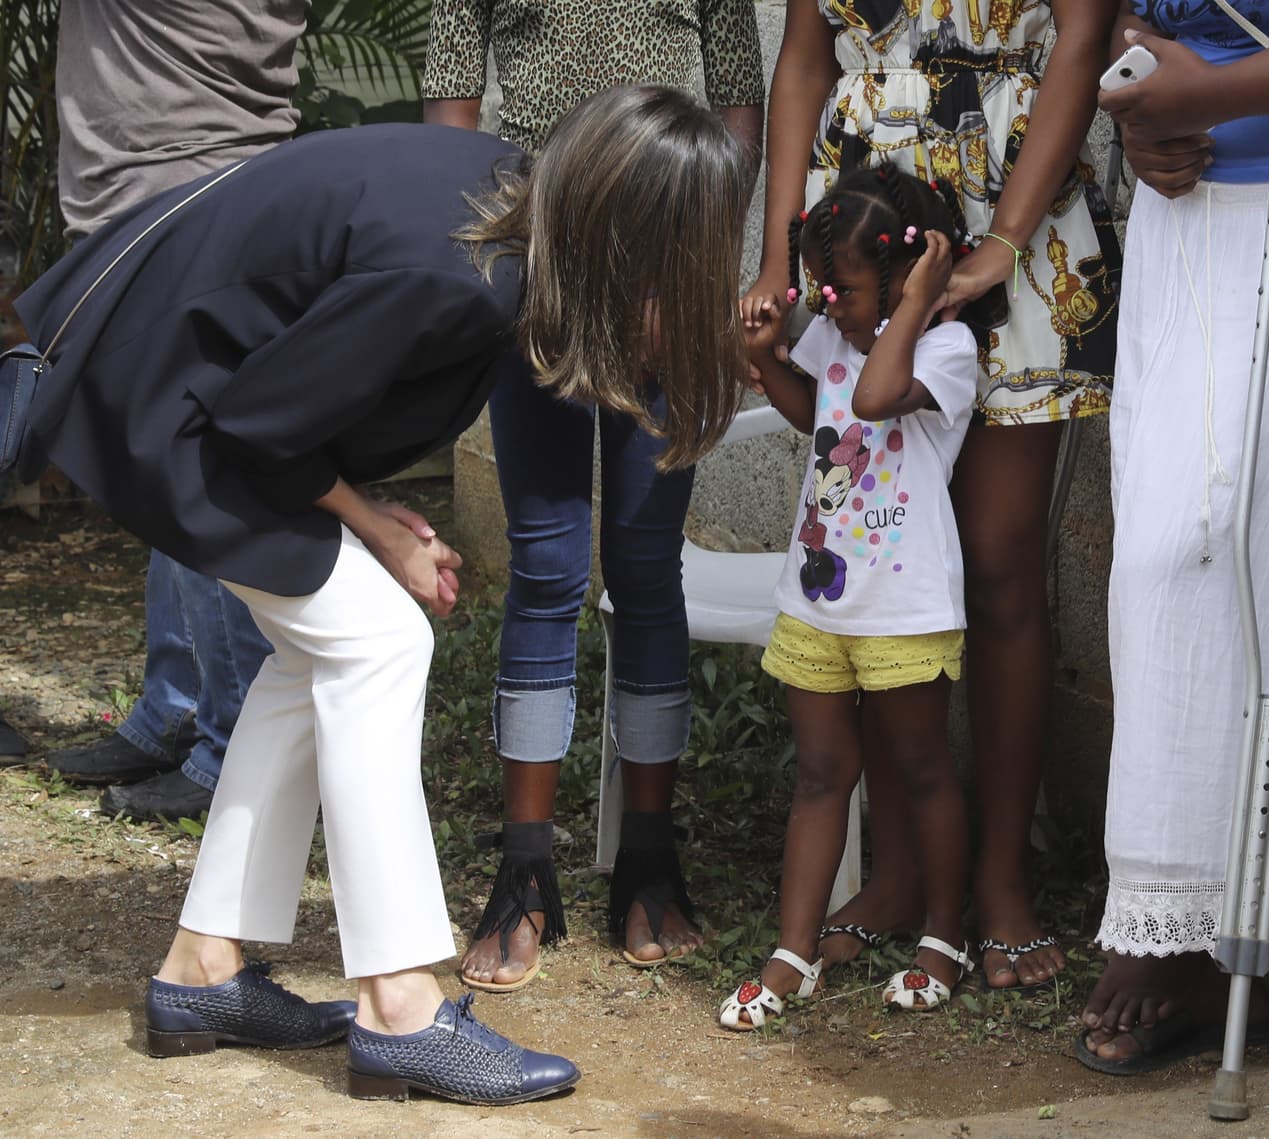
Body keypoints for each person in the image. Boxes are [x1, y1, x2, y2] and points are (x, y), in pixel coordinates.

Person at [14, 85, 752, 1104]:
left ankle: (203, 970)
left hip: (187, 375)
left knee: (319, 648)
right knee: (376, 642)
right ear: (634, 238)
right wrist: (372, 523)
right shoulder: (465, 279)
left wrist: (368, 517)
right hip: (161, 393)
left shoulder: (504, 205)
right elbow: (259, 423)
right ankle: (399, 1007)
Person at [748, 0, 1122, 990]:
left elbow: (1082, 37)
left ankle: (998, 878)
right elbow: (800, 57)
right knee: (875, 553)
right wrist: (782, 249)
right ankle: (907, 870)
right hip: (866, 218)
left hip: (1014, 199)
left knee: (999, 563)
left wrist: (1002, 236)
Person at [422, 0, 764, 989]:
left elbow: (737, 113)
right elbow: (452, 123)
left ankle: (648, 861)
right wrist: (501, 266)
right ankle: (522, 871)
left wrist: (691, 263)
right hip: (536, 275)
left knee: (648, 566)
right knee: (545, 566)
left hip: (668, 265)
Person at [720, 165, 979, 1027]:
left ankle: (945, 934)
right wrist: (765, 356)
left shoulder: (945, 349)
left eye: (849, 289)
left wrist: (914, 303)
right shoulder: (836, 333)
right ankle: (793, 948)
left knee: (920, 770)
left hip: (904, 610)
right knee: (822, 775)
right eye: (821, 287)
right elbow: (823, 414)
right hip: (820, 599)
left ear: (911, 275)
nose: (830, 305)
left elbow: (874, 395)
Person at [1079, 0, 1269, 1075]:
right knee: (1167, 564)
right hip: (1184, 213)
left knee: (1252, 559)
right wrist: (1134, 111)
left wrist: (1199, 95)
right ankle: (1195, 916)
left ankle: (1230, 930)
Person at [39, 0, 296, 823]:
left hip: (179, 195)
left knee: (195, 472)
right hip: (185, 185)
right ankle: (177, 708)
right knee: (171, 464)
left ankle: (233, 750)